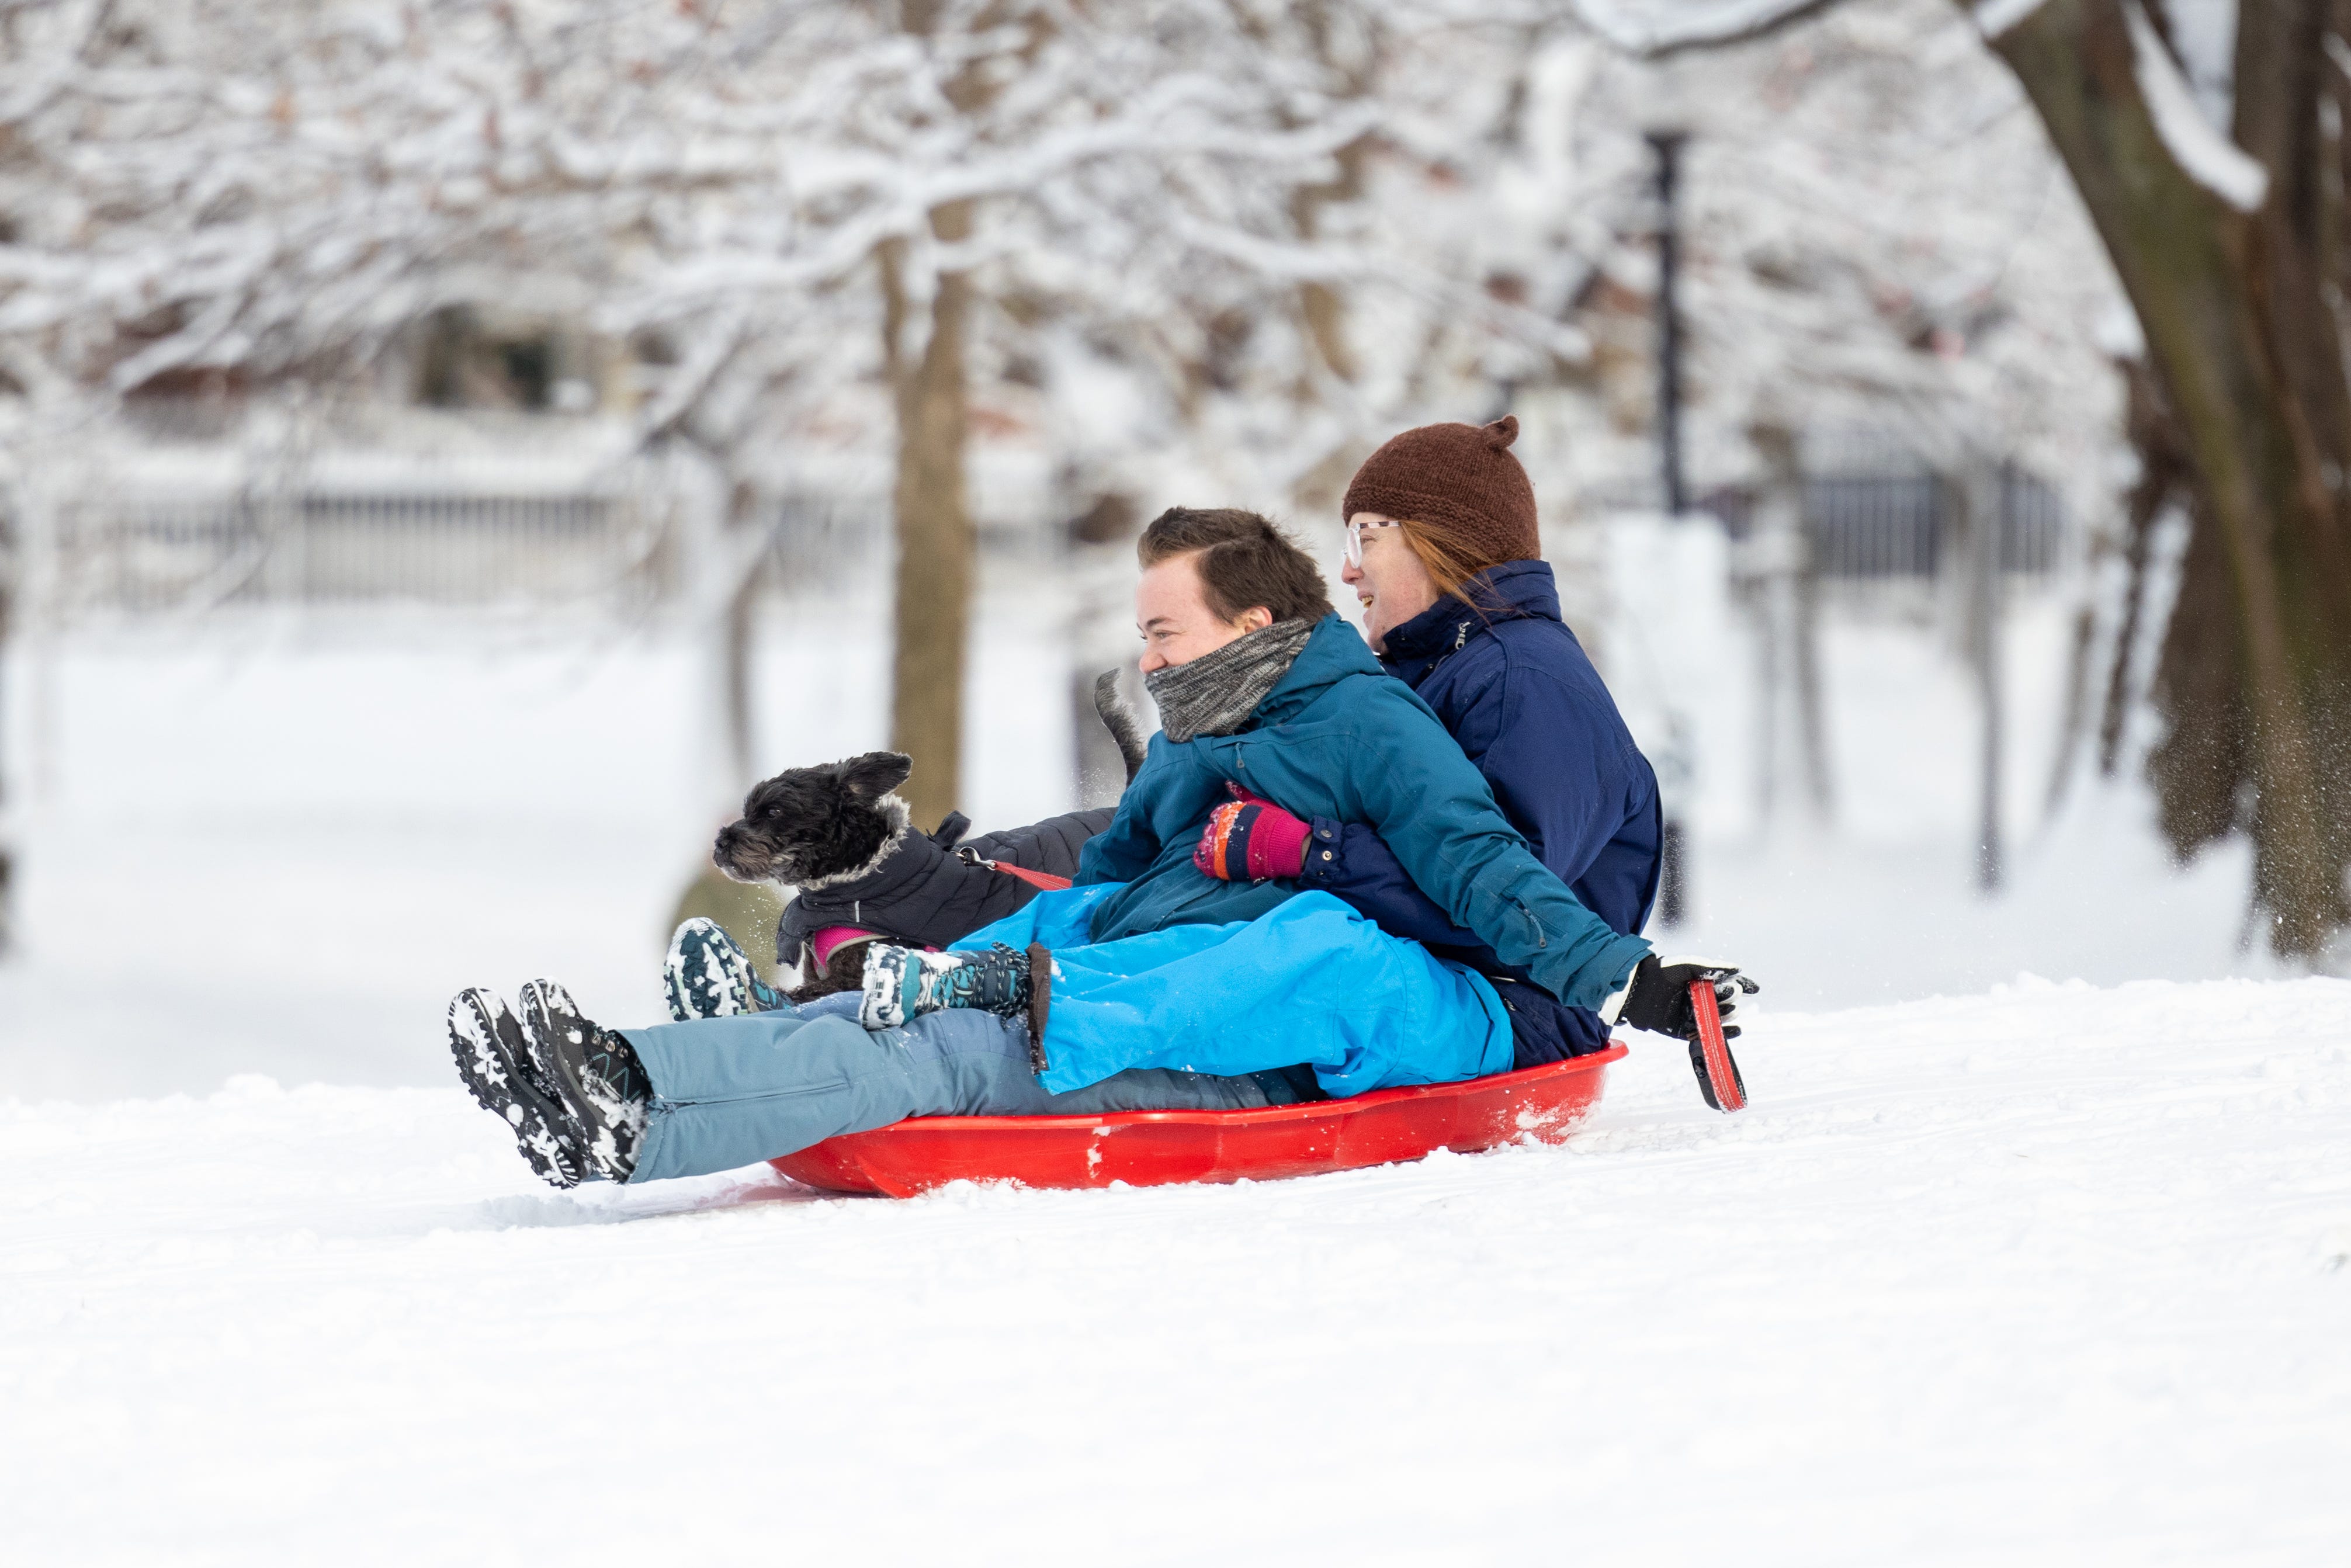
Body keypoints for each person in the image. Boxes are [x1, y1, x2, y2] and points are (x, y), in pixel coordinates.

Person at [448, 505, 1749, 1189]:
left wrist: (1634, 982)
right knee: (967, 977)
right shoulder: (1201, 727)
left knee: (957, 1043)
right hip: (1160, 961)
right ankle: (624, 1072)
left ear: (1249, 623)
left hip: (1259, 1006)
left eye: (1166, 629)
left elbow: (1487, 868)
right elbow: (1103, 870)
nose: (1147, 655)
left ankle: (632, 1119)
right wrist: (926, 902)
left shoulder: (1371, 730)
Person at [1192, 415, 1674, 1075]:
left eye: (1366, 537)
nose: (1347, 569)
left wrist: (1308, 849)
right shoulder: (1424, 670)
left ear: (1438, 540)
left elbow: (1501, 905)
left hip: (1512, 1006)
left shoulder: (1522, 681)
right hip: (1409, 973)